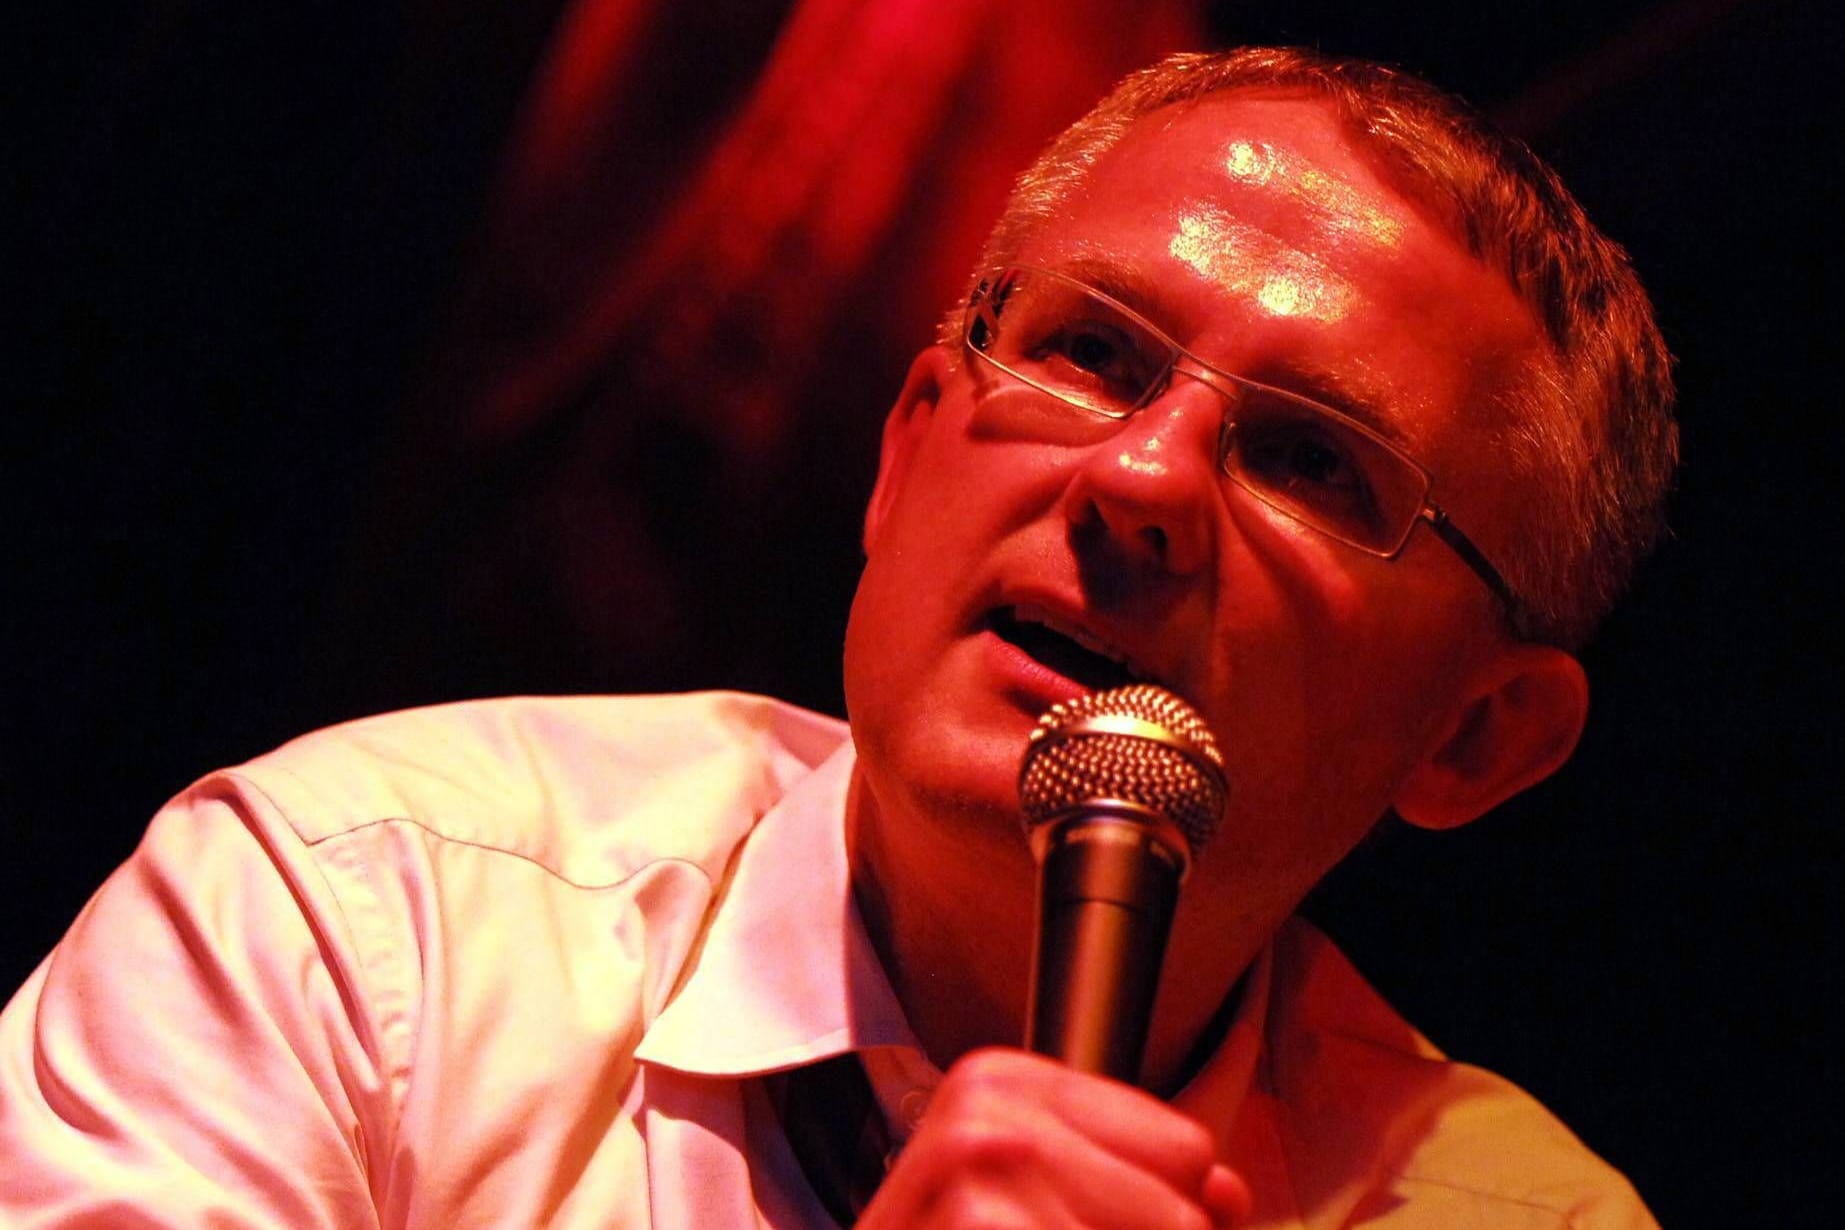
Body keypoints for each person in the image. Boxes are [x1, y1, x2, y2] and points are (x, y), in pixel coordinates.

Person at [0, 46, 1675, 1229]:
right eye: (1090, 353)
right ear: (903, 449)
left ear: (1474, 737)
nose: (1145, 478)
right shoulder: (359, 929)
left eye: (1316, 459)